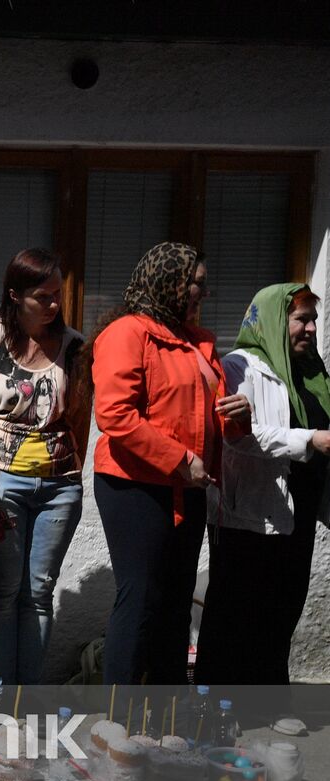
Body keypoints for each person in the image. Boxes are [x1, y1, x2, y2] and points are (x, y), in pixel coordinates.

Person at [87, 242, 249, 685]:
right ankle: (117, 723)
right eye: (197, 283)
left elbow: (211, 416)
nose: (203, 293)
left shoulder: (200, 343)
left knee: (176, 603)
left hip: (190, 485)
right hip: (134, 485)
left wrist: (239, 420)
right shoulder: (126, 334)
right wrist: (179, 460)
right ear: (170, 282)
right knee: (140, 598)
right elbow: (115, 415)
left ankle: (165, 722)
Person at [197, 284, 329, 734]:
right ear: (274, 320)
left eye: (313, 319)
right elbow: (239, 436)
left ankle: (272, 701)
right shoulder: (240, 367)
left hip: (298, 509)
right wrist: (309, 439)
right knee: (234, 606)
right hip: (249, 508)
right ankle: (218, 706)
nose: (310, 329)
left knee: (283, 604)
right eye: (301, 320)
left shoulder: (311, 373)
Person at [0, 249, 87, 693]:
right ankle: (2, 700)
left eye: (57, 295)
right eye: (43, 296)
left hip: (60, 486)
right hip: (2, 483)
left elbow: (82, 416)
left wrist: (74, 475)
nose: (54, 304)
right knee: (5, 593)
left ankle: (27, 700)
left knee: (38, 594)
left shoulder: (74, 346)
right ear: (15, 296)